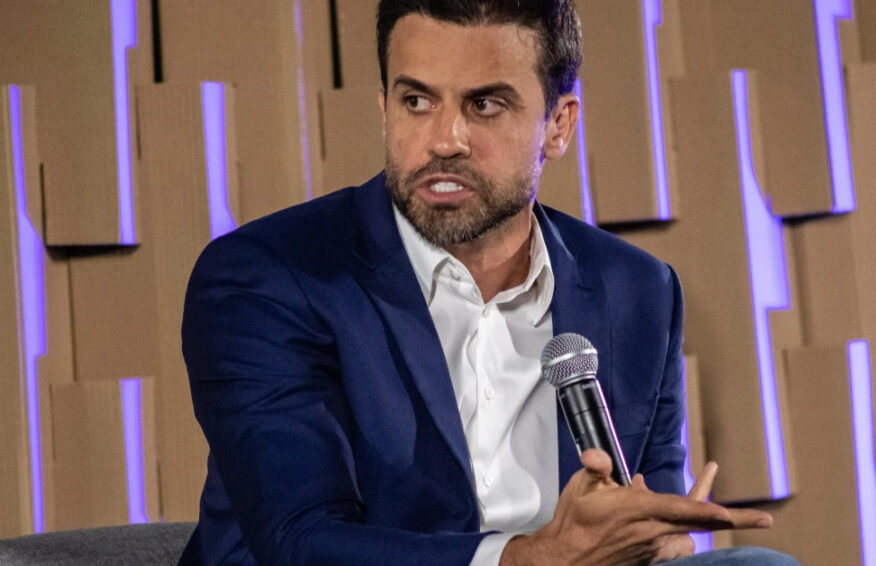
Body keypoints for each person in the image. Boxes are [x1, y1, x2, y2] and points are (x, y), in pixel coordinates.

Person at [178, 1, 799, 564]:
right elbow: (302, 542)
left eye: (485, 105)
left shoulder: (637, 291)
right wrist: (531, 559)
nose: (444, 140)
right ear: (384, 106)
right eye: (416, 101)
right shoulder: (268, 276)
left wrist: (654, 541)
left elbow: (645, 507)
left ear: (558, 125)